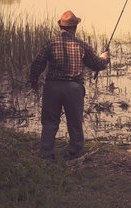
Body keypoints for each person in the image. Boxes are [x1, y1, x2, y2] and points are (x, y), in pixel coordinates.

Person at [29, 10, 109, 160]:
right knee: (74, 122)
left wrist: (33, 80)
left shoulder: (50, 43)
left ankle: (46, 154)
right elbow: (97, 64)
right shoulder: (81, 45)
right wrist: (104, 58)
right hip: (74, 89)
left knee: (49, 122)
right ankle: (74, 152)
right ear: (75, 28)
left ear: (61, 27)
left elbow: (37, 63)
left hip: (52, 87)